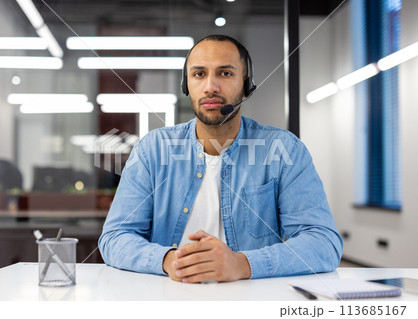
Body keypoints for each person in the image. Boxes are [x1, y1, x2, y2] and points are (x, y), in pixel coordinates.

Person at [99, 34, 343, 283]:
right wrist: (169, 260)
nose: (210, 87)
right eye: (199, 74)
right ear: (186, 85)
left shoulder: (284, 150)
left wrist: (243, 264)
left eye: (225, 74)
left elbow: (323, 243)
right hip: (169, 297)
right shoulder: (152, 149)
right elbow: (115, 237)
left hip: (250, 301)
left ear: (246, 85)